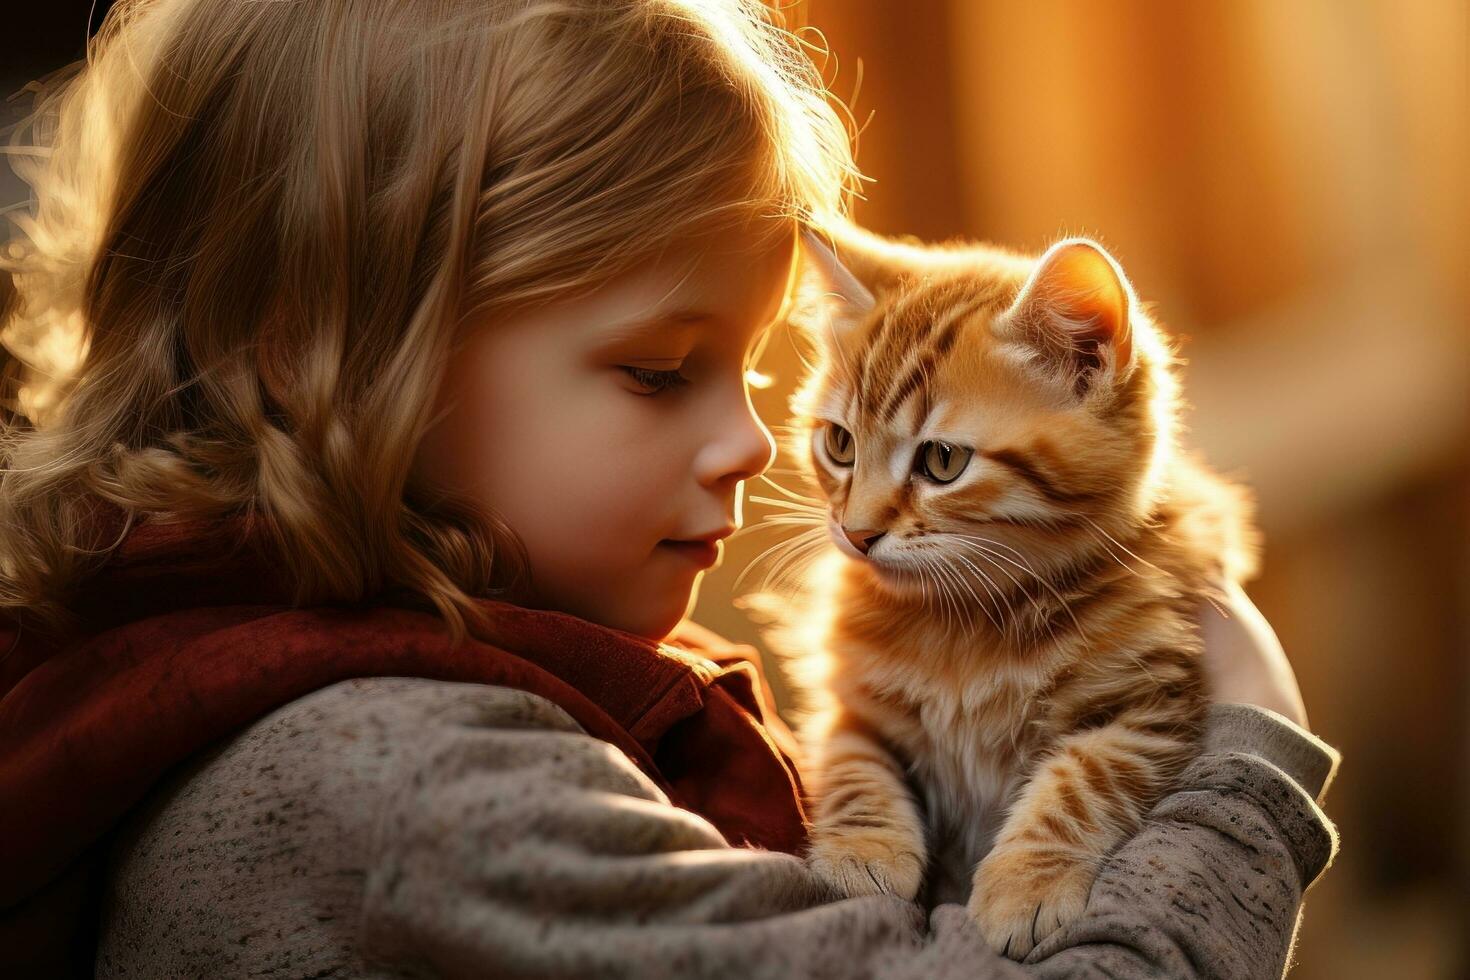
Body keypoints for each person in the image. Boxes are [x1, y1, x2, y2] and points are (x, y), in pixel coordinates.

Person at [0, 1, 1340, 977]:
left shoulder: (415, 661)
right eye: (658, 372)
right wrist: (1250, 757)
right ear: (310, 356)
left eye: (755, 372)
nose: (753, 449)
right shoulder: (402, 783)